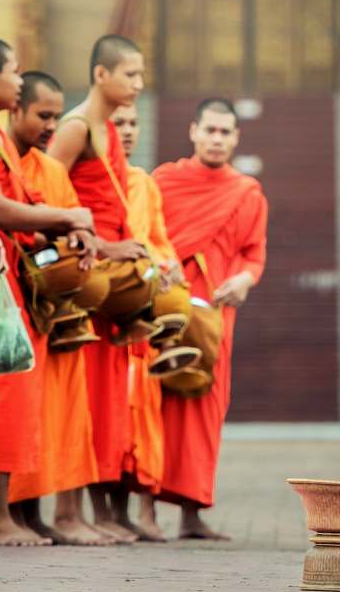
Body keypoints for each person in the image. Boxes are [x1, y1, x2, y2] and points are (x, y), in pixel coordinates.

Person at [0, 37, 94, 546]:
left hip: (5, 281)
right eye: (13, 71)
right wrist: (66, 216)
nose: (17, 79)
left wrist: (61, 232)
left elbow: (16, 209)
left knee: (7, 396)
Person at [5, 71, 114, 546]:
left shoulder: (49, 169)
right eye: (43, 115)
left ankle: (58, 514)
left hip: (59, 309)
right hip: (16, 301)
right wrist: (60, 229)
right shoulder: (1, 158)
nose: (52, 124)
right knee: (19, 410)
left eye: (56, 115)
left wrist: (84, 240)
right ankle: (17, 514)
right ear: (14, 109)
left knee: (66, 413)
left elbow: (75, 215)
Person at [47, 34, 147, 544]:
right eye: (131, 74)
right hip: (81, 278)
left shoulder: (107, 129)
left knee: (102, 404)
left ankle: (86, 510)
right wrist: (105, 249)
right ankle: (65, 513)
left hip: (109, 285)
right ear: (101, 74)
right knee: (74, 400)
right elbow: (43, 197)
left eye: (141, 74)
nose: (139, 84)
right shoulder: (74, 127)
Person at [152, 98, 267, 540]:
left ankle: (191, 513)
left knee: (206, 407)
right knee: (157, 400)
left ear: (236, 138)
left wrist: (244, 280)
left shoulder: (247, 192)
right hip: (168, 308)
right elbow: (146, 236)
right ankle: (144, 509)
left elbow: (254, 254)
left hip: (216, 313)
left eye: (226, 132)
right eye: (210, 130)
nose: (217, 139)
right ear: (193, 131)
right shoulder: (164, 181)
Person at [110, 103, 182, 541]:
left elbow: (158, 239)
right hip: (112, 311)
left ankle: (147, 512)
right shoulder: (90, 176)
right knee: (113, 417)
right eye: (119, 123)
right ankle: (111, 511)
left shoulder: (143, 183)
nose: (128, 131)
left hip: (146, 314)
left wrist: (168, 263)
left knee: (147, 417)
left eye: (134, 123)